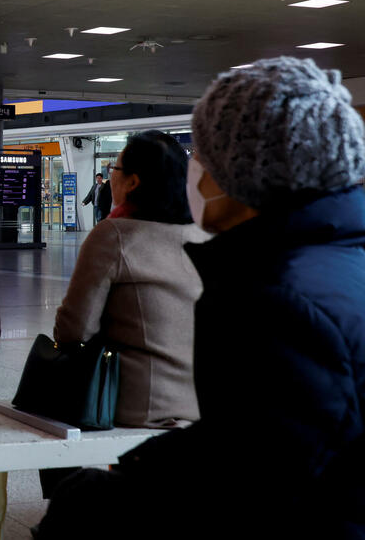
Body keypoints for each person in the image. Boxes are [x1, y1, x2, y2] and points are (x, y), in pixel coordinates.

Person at [36, 57, 365, 539]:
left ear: (239, 172)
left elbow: (260, 487)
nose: (193, 169)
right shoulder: (330, 263)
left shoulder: (281, 300)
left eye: (202, 154)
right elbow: (254, 440)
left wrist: (97, 500)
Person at [37, 131, 207, 500]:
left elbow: (74, 329)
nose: (110, 174)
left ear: (133, 181)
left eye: (114, 167)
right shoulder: (203, 235)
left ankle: (61, 504)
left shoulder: (115, 234)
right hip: (204, 400)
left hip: (139, 403)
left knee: (47, 395)